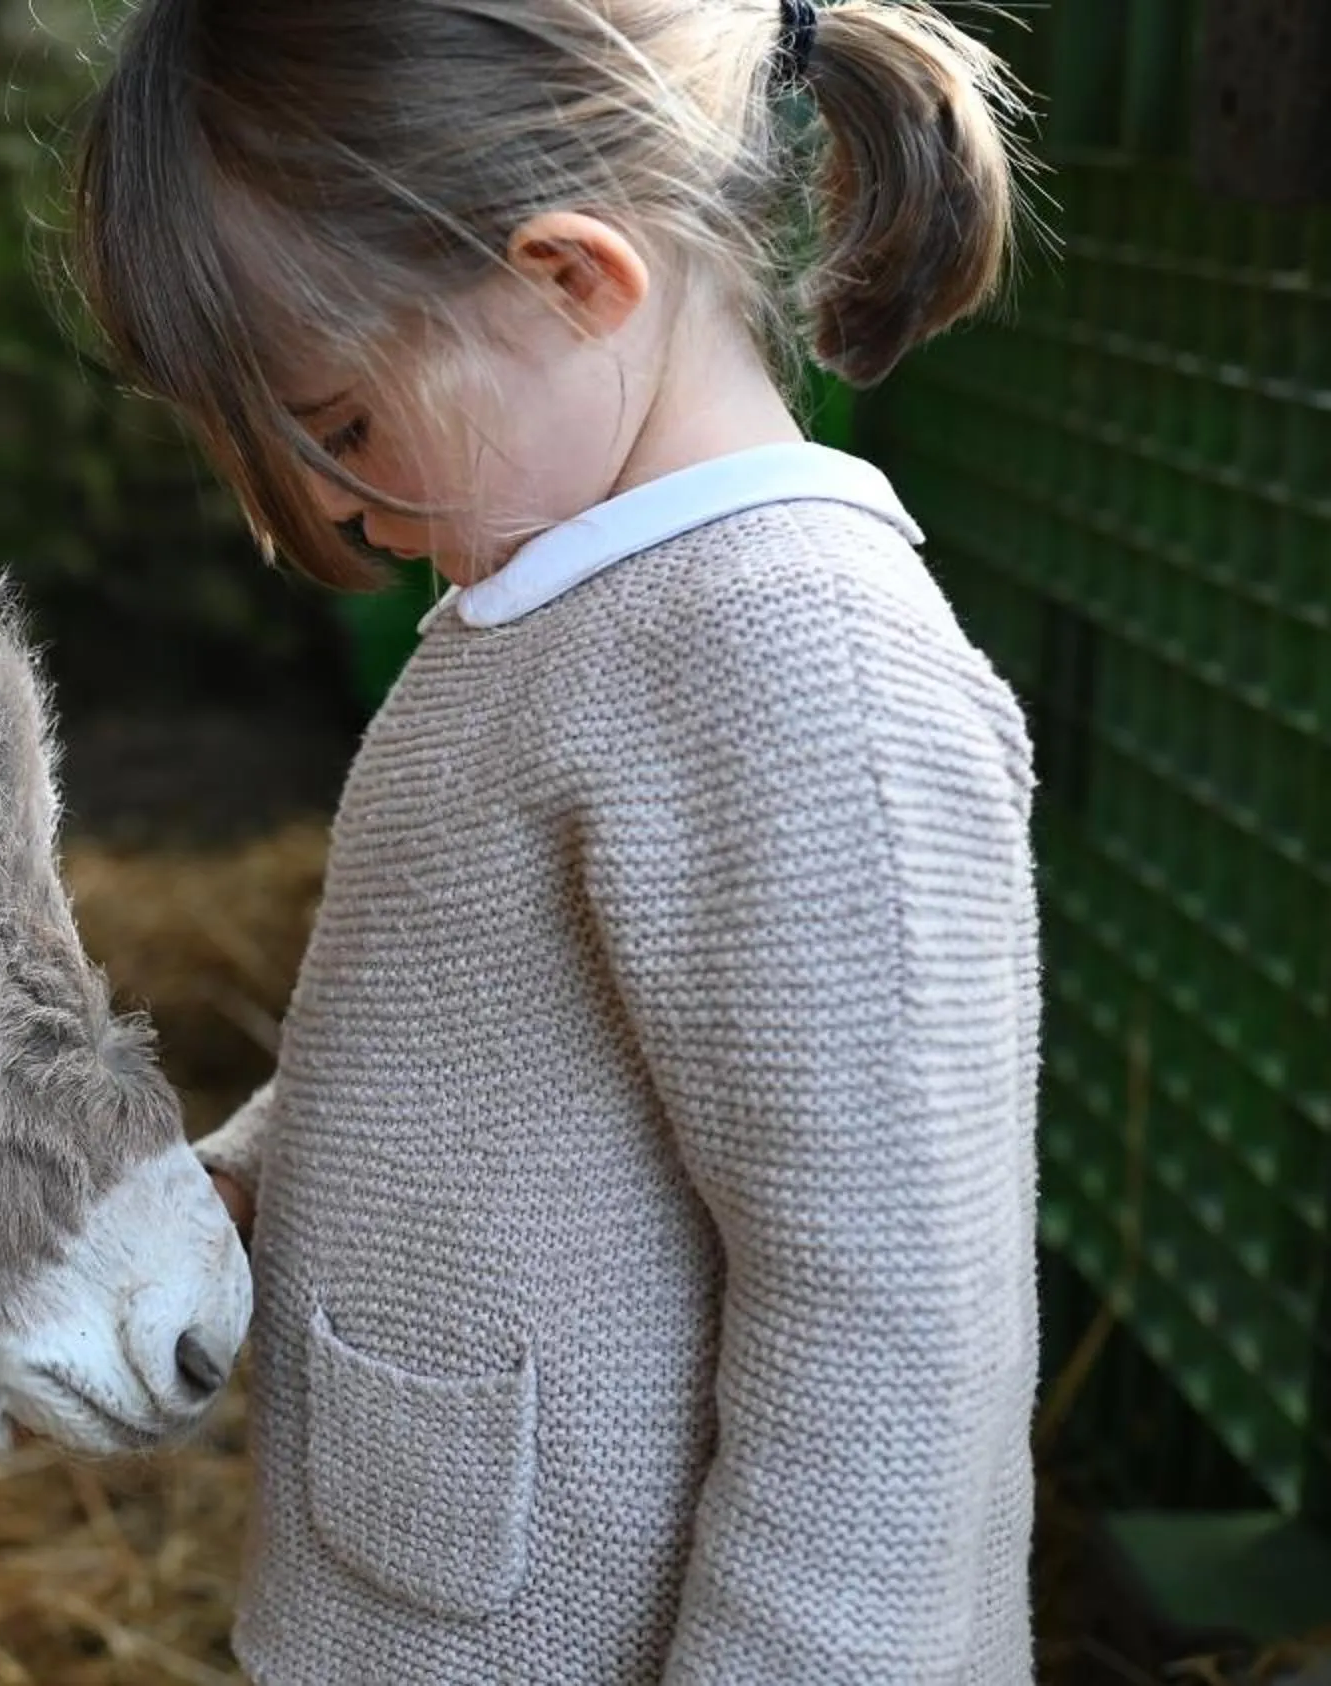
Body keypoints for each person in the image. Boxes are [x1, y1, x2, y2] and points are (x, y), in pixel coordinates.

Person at [66, 2, 1047, 1680]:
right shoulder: (551, 607)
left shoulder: (796, 663)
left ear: (569, 281)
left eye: (344, 427)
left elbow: (894, 1328)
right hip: (429, 1614)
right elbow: (467, 1057)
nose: (323, 518)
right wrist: (250, 1177)